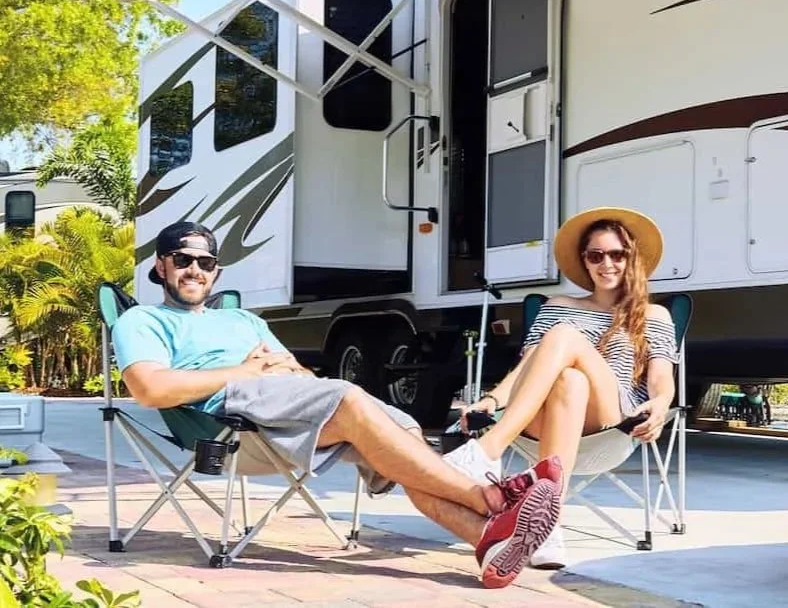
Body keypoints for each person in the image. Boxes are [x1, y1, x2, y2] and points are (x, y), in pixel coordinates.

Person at [111, 221, 564, 589]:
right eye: (183, 260)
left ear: (217, 272)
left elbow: (300, 378)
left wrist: (288, 374)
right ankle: (490, 497)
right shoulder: (142, 319)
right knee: (348, 397)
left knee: (401, 433)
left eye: (205, 262)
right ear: (161, 266)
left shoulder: (242, 319)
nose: (195, 270)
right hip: (226, 424)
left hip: (284, 411)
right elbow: (149, 390)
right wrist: (245, 372)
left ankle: (487, 538)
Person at [444, 207, 678, 569]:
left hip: (611, 419)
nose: (607, 264)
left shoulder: (653, 315)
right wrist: (491, 399)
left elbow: (661, 376)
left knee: (566, 336)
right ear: (584, 261)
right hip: (546, 417)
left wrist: (661, 404)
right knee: (569, 379)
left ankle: (485, 452)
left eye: (617, 254)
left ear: (631, 259)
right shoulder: (558, 306)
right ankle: (547, 527)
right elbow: (528, 368)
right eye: (595, 255)